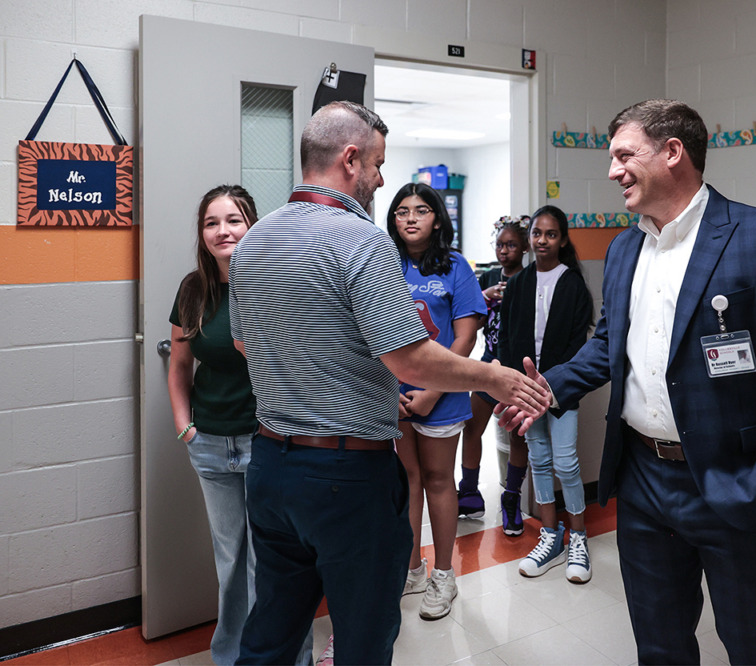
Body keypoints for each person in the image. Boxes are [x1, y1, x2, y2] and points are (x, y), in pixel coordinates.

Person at [501, 99, 756, 664]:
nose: (612, 172)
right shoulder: (626, 247)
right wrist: (548, 387)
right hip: (644, 485)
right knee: (660, 645)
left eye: (623, 155)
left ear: (673, 153)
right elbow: (611, 346)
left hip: (740, 482)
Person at [228, 101, 549, 665]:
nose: (380, 180)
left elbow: (245, 344)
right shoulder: (361, 238)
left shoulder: (255, 240)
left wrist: (325, 357)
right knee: (363, 639)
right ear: (350, 159)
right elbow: (410, 361)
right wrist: (493, 378)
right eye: (377, 165)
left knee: (272, 632)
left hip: (271, 468)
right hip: (345, 475)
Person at [166, 185, 312, 666]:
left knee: (272, 562)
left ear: (252, 224)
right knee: (230, 563)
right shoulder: (192, 290)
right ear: (202, 233)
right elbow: (179, 365)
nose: (223, 231)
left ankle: (290, 656)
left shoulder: (272, 282)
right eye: (212, 222)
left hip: (265, 442)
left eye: (234, 220)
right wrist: (185, 425)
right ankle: (231, 656)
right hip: (208, 444)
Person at [387, 182, 486, 620]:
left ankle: (444, 575)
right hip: (393, 396)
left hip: (441, 396)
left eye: (421, 210)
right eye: (402, 210)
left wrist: (431, 391)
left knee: (438, 480)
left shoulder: (455, 266)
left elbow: (466, 337)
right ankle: (412, 568)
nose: (410, 218)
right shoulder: (382, 264)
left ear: (437, 219)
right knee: (407, 480)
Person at [498, 205, 593, 582]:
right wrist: (513, 384)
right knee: (538, 461)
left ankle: (579, 537)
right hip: (523, 390)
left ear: (562, 239)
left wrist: (550, 385)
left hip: (559, 391)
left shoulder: (572, 284)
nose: (542, 241)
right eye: (537, 233)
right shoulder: (519, 283)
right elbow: (505, 336)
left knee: (566, 463)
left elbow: (577, 345)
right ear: (529, 239)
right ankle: (551, 536)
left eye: (551, 234)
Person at [457, 216, 529, 526]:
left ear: (524, 247)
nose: (504, 251)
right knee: (472, 428)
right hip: (489, 363)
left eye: (511, 245)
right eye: (500, 245)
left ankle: (511, 498)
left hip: (516, 370)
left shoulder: (531, 279)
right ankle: (470, 494)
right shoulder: (486, 278)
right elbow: (473, 323)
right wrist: (486, 300)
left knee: (516, 437)